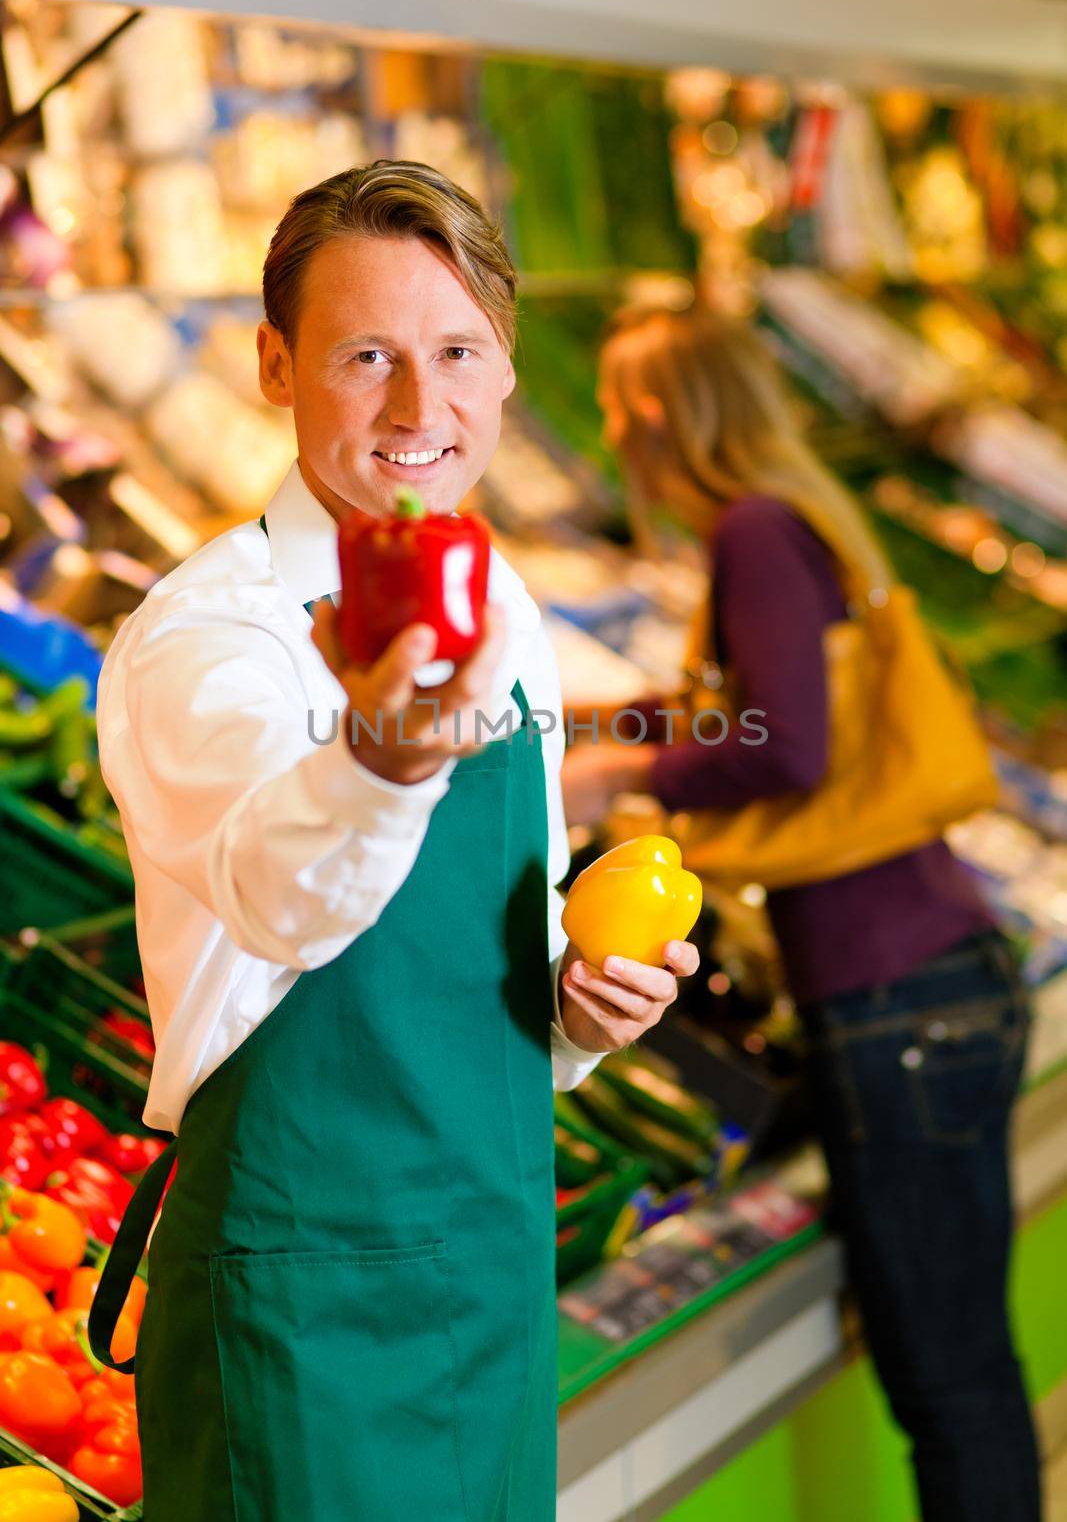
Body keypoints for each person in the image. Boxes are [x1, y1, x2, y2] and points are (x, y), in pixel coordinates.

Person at [86, 163, 699, 1522]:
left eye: (456, 353)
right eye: (367, 356)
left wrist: (586, 1009)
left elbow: (503, 981)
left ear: (504, 373)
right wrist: (382, 757)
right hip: (300, 1310)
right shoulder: (208, 636)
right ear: (273, 365)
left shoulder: (510, 615)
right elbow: (277, 894)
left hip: (484, 1284)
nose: (420, 409)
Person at [562, 305, 1042, 1522]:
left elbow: (780, 742)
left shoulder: (754, 529)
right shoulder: (797, 508)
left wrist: (626, 774)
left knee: (948, 1382)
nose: (611, 431)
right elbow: (758, 708)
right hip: (934, 974)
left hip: (896, 999)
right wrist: (624, 726)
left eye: (620, 408)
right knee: (962, 1365)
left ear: (662, 414)